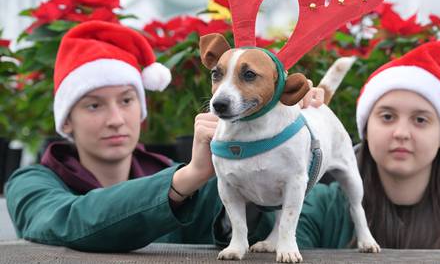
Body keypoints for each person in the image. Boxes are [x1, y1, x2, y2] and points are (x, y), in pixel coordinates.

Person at [5, 20, 325, 252]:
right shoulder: (30, 183)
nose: (116, 119)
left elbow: (269, 227)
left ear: (142, 109)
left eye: (127, 100)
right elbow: (68, 222)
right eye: (93, 105)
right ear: (66, 121)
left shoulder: (178, 178)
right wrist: (191, 174)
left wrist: (281, 128)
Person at [293, 41, 440, 249]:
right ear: (366, 129)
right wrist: (284, 131)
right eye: (387, 117)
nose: (401, 133)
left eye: (420, 120)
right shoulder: (321, 209)